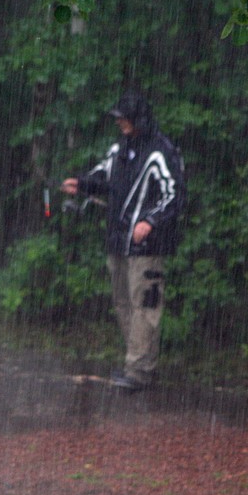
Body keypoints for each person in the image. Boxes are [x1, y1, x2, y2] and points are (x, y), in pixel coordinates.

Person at [61, 92, 185, 390]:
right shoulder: (120, 148)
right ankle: (137, 363)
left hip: (147, 246)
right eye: (118, 118)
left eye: (124, 118)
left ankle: (139, 371)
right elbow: (103, 177)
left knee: (145, 304)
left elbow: (175, 195)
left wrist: (150, 221)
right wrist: (81, 183)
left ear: (138, 119)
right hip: (117, 240)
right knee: (122, 302)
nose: (120, 122)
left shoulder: (161, 151)